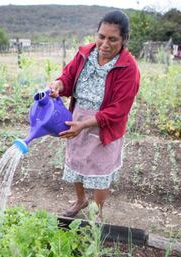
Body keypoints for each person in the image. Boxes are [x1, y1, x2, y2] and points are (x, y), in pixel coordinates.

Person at [49, 10, 140, 220]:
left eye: (112, 39)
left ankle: (97, 213)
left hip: (105, 125)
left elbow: (119, 110)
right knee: (76, 162)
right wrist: (58, 84)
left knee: (101, 170)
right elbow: (68, 77)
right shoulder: (84, 54)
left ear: (125, 40)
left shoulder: (128, 68)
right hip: (78, 118)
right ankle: (81, 200)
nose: (105, 44)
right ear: (96, 34)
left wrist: (85, 124)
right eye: (101, 36)